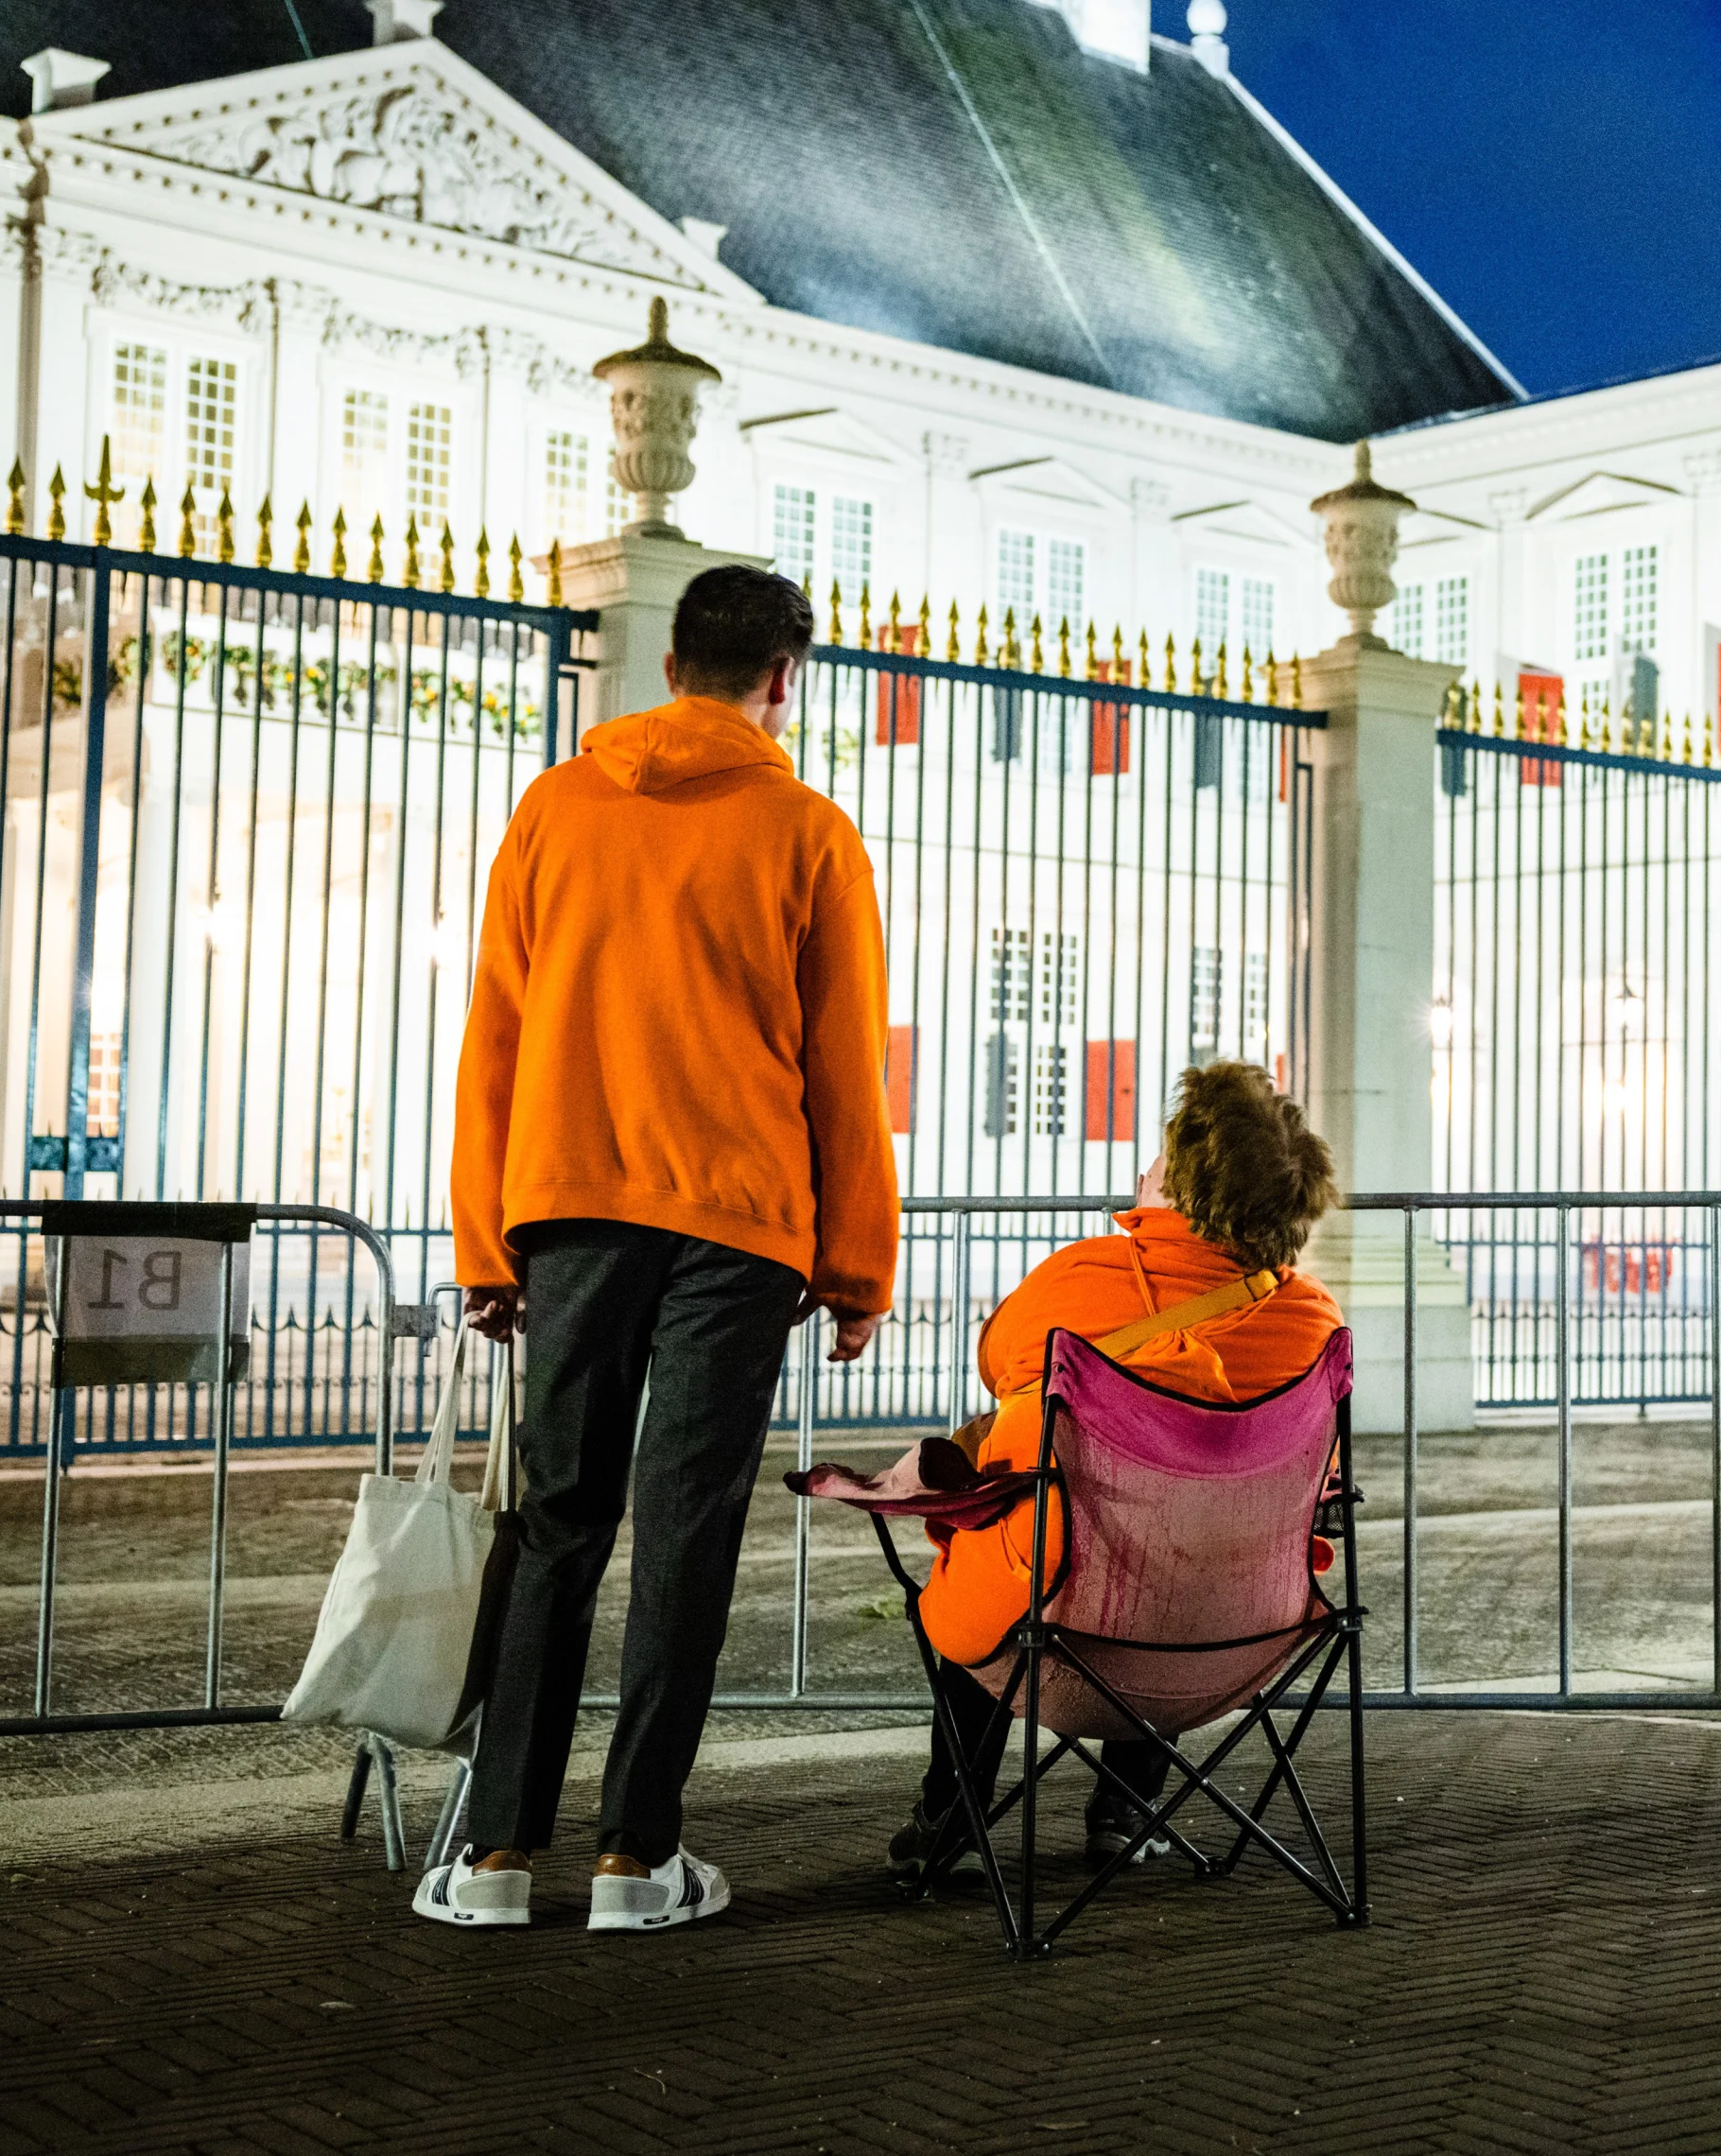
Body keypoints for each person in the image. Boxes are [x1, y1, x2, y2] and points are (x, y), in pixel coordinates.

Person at [419, 565, 900, 1933]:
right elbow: (840, 1070)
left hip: (567, 1210)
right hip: (735, 1227)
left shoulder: (554, 812)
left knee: (558, 1518)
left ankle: (498, 1856)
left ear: (672, 659)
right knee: (685, 1531)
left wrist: (486, 1243)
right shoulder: (808, 832)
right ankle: (638, 1859)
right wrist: (858, 1264)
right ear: (783, 679)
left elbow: (494, 1043)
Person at [894, 1060, 1341, 1880]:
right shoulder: (1315, 1322)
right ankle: (1129, 1809)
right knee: (1182, 1536)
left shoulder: (1082, 1278)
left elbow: (997, 1361)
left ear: (1183, 1186)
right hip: (1237, 1638)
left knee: (993, 1557)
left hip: (1054, 1634)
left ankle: (949, 1814)